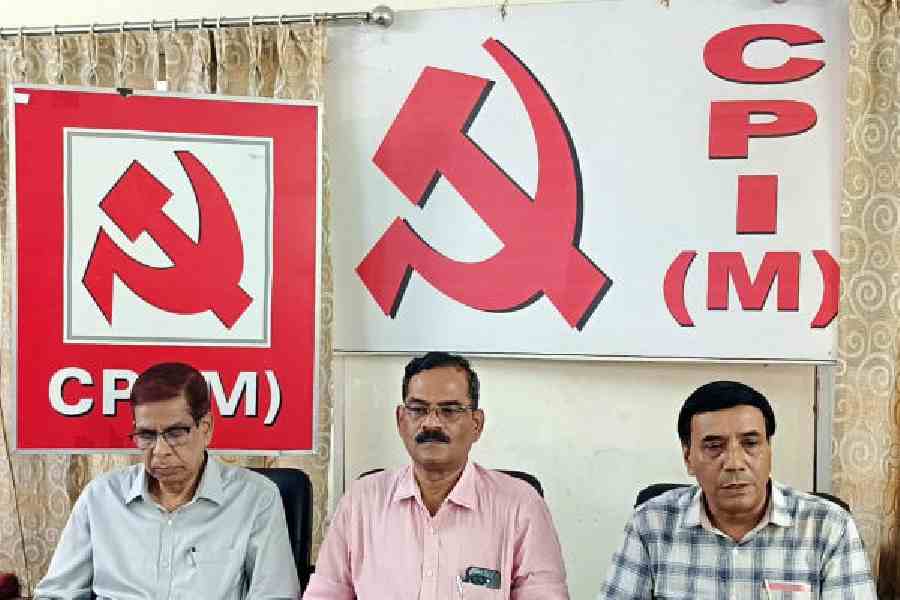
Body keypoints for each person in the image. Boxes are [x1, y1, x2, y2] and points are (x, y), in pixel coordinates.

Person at [304, 351, 569, 599]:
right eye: (418, 410)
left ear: (476, 424)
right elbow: (325, 592)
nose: (431, 423)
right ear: (400, 420)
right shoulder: (362, 500)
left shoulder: (520, 505)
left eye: (450, 411)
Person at [35, 362, 299, 600]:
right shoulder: (100, 497)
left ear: (205, 429)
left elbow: (275, 595)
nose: (160, 450)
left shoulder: (255, 498)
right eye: (147, 435)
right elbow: (56, 594)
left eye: (175, 433)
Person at [598, 380, 876, 599]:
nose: (733, 463)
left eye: (750, 443)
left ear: (769, 449)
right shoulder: (650, 524)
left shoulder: (829, 528)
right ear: (688, 458)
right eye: (714, 446)